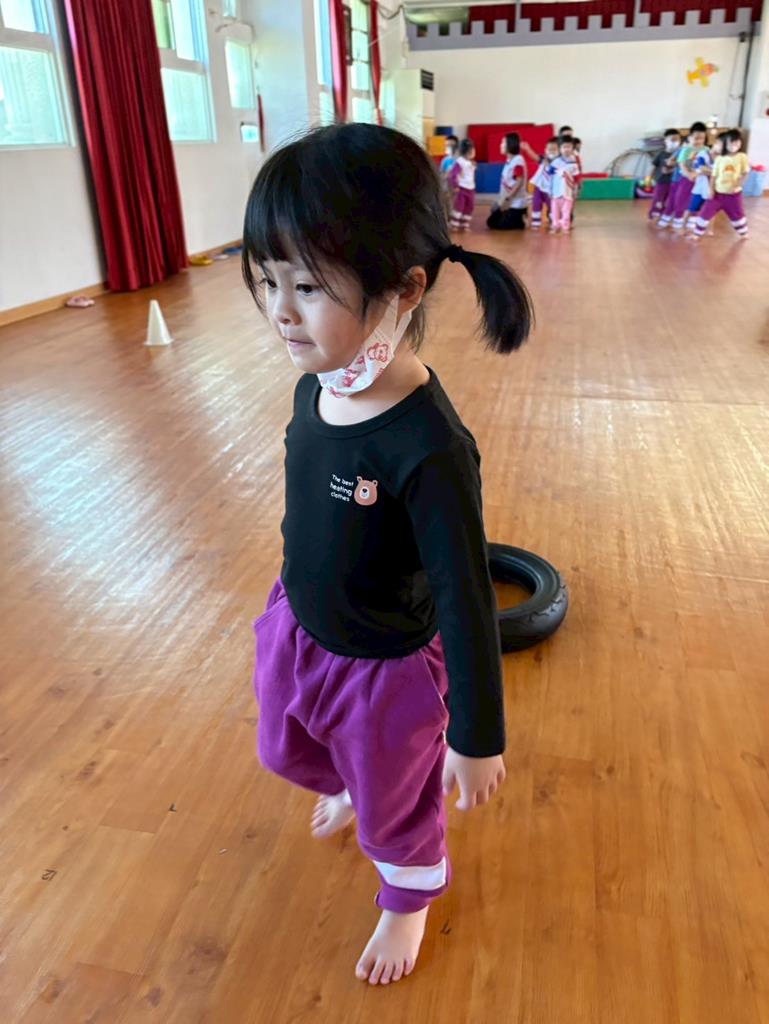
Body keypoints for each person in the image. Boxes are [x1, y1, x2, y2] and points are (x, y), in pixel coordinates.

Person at [241, 123, 534, 986]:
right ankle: (349, 783)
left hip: (383, 669)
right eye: (268, 280)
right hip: (299, 626)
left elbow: (467, 598)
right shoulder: (315, 388)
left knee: (395, 809)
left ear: (405, 287)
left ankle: (407, 899)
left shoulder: (430, 448)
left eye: (306, 287)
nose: (280, 310)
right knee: (280, 748)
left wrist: (475, 736)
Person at [691, 129, 750, 240]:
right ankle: (697, 233)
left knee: (738, 214)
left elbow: (745, 173)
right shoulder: (719, 159)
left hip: (733, 195)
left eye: (737, 142)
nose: (734, 145)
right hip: (717, 194)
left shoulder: (742, 157)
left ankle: (743, 232)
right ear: (725, 144)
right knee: (705, 212)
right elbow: (713, 176)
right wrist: (711, 190)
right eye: (731, 142)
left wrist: (738, 185)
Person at [657, 121, 707, 230]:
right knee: (676, 201)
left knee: (695, 202)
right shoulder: (685, 150)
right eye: (696, 138)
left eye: (702, 138)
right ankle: (670, 221)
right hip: (682, 179)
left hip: (698, 180)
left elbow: (707, 164)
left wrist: (698, 173)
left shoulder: (705, 150)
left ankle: (690, 223)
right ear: (690, 138)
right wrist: (688, 174)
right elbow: (680, 163)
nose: (699, 141)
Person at [487, 132, 528, 230]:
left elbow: (519, 181)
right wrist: (499, 202)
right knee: (491, 222)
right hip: (507, 201)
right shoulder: (509, 161)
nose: (500, 145)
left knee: (500, 225)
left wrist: (508, 199)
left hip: (515, 203)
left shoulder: (518, 160)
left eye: (503, 142)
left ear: (510, 144)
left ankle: (522, 217)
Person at [685, 133, 721, 235]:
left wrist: (707, 171)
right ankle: (683, 226)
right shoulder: (703, 154)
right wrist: (714, 172)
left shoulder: (721, 158)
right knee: (692, 209)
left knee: (711, 210)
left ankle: (710, 229)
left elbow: (706, 170)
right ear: (715, 143)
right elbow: (701, 168)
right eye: (720, 144)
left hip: (712, 189)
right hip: (700, 188)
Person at [549, 135, 580, 234]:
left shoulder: (574, 163)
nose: (566, 149)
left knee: (566, 211)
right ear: (559, 148)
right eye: (564, 147)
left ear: (572, 147)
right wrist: (550, 190)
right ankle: (555, 226)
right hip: (556, 192)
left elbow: (576, 177)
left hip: (568, 192)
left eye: (569, 146)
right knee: (555, 211)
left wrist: (576, 189)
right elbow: (550, 176)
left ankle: (565, 226)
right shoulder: (555, 162)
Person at [649, 129, 681, 220]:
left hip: (675, 182)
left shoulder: (680, 154)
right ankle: (655, 213)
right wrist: (649, 178)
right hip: (661, 181)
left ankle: (666, 215)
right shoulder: (661, 154)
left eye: (677, 139)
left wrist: (672, 170)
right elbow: (654, 166)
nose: (675, 142)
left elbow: (682, 167)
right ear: (666, 141)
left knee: (670, 199)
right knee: (658, 198)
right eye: (672, 140)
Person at [529, 137, 559, 230]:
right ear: (545, 150)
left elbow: (556, 174)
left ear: (559, 151)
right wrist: (532, 183)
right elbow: (538, 171)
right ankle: (535, 223)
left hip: (550, 190)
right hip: (539, 187)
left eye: (554, 150)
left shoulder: (559, 163)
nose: (551, 152)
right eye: (549, 149)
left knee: (551, 206)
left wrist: (549, 166)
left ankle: (554, 221)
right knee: (536, 203)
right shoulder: (543, 160)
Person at [448, 138, 477, 231]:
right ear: (469, 151)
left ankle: (464, 223)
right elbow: (453, 175)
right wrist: (455, 185)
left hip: (470, 189)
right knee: (459, 206)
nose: (474, 151)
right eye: (473, 149)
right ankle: (454, 224)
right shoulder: (459, 162)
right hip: (462, 188)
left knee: (470, 206)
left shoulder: (471, 162)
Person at [439, 134, 459, 219]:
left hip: (457, 186)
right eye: (447, 145)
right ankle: (448, 215)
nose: (449, 147)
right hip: (447, 186)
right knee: (447, 200)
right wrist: (446, 175)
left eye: (452, 145)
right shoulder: (445, 160)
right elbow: (441, 174)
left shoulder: (460, 159)